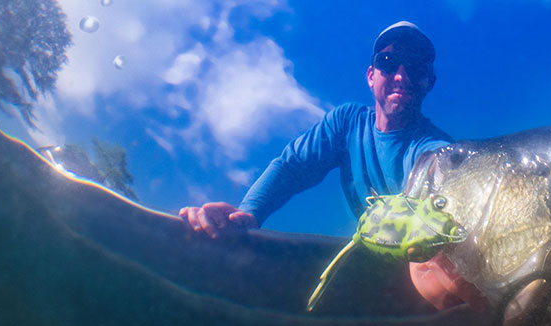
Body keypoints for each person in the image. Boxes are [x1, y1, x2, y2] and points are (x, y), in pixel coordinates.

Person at [179, 21, 451, 238]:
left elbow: (443, 170)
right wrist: (247, 214)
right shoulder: (347, 123)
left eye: (415, 68)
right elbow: (292, 167)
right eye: (389, 63)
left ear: (429, 82)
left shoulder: (437, 149)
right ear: (371, 76)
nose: (401, 76)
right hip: (364, 261)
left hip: (423, 265)